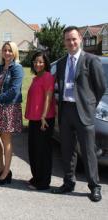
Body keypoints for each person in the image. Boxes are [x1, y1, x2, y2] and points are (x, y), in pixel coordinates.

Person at [52, 26, 106, 202]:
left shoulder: (91, 60)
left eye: (74, 39)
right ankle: (68, 183)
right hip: (66, 111)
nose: (71, 42)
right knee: (67, 150)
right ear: (64, 42)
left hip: (84, 112)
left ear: (80, 39)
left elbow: (100, 88)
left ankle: (94, 187)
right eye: (68, 39)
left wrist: (89, 106)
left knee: (88, 151)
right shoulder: (61, 63)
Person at [0, 41, 23, 185]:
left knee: (6, 139)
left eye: (10, 50)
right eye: (5, 50)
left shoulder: (17, 68)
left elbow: (15, 89)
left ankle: (6, 172)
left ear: (14, 52)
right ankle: (1, 168)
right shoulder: (1, 67)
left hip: (9, 107)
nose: (7, 53)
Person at [25, 51, 56, 190]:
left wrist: (43, 116)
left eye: (41, 62)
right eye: (36, 61)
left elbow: (48, 97)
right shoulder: (36, 77)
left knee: (42, 152)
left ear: (46, 63)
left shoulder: (48, 77)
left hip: (44, 119)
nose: (38, 64)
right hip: (34, 118)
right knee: (33, 150)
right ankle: (36, 177)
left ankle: (43, 182)